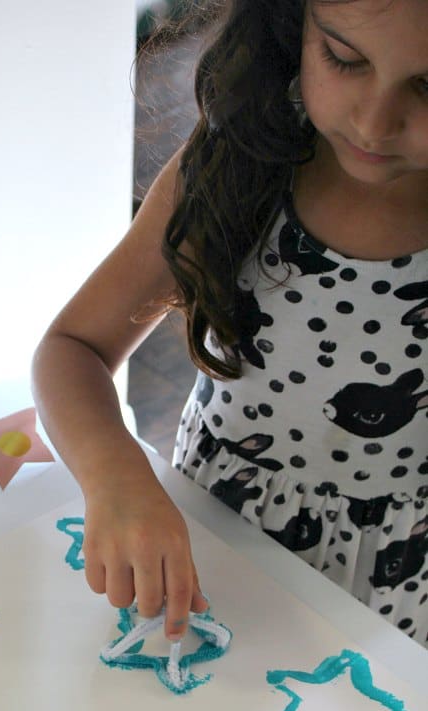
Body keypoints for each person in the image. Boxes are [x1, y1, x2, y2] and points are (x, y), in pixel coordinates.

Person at [31, 0, 428, 651]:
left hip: (398, 588)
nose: (375, 122)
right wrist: (114, 473)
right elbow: (71, 347)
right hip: (210, 537)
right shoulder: (242, 155)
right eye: (345, 59)